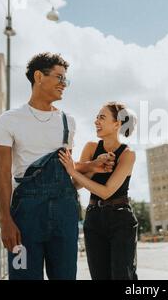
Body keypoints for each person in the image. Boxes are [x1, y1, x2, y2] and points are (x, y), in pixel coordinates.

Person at [0, 52, 113, 280]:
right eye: (59, 77)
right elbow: (2, 173)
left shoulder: (69, 122)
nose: (63, 84)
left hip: (65, 212)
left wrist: (91, 167)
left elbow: (67, 174)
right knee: (23, 276)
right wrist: (6, 220)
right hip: (26, 215)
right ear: (39, 76)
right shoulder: (8, 120)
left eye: (65, 79)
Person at [58, 102, 138, 280]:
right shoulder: (91, 148)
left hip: (121, 219)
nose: (96, 121)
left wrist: (73, 170)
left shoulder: (127, 154)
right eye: (96, 117)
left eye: (102, 117)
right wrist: (94, 167)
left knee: (122, 276)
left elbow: (106, 192)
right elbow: (76, 185)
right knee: (99, 276)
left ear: (117, 124)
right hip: (94, 218)